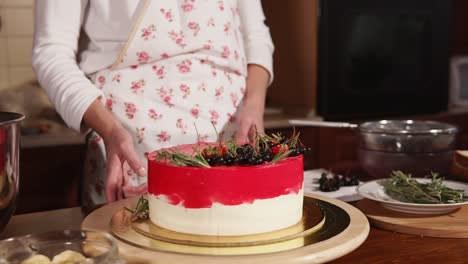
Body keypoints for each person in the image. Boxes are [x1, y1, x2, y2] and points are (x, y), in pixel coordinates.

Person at [32, 0, 274, 206]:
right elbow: (51, 52)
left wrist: (254, 107)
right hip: (131, 144)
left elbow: (256, 36)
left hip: (229, 135)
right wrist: (110, 130)